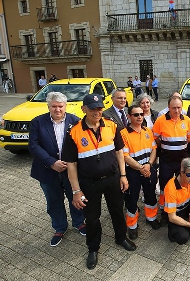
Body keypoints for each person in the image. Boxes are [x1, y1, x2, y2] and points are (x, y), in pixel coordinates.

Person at [62, 94, 136, 270]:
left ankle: (121, 238)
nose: (97, 112)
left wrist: (123, 175)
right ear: (83, 109)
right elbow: (71, 165)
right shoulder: (74, 133)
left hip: (112, 179)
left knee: (117, 211)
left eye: (99, 108)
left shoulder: (111, 126)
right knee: (92, 218)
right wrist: (76, 191)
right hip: (89, 183)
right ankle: (93, 248)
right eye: (92, 108)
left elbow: (119, 152)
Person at [28, 92, 85, 247]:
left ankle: (79, 222)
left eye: (60, 106)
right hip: (47, 170)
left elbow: (82, 144)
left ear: (65, 106)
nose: (57, 109)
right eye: (54, 106)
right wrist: (52, 162)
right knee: (53, 201)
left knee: (75, 197)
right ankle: (59, 227)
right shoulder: (37, 122)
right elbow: (33, 146)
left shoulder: (76, 121)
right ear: (48, 106)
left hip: (71, 170)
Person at [153, 95, 190, 223]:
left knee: (179, 185)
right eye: (174, 108)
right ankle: (164, 212)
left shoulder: (187, 120)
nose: (176, 111)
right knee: (165, 187)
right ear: (168, 108)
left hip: (181, 160)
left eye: (179, 107)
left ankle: (178, 209)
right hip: (166, 159)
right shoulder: (160, 120)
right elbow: (156, 138)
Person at [121, 105, 160, 239]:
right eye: (136, 114)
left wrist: (149, 165)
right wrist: (141, 168)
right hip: (133, 172)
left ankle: (151, 218)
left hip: (149, 169)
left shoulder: (148, 131)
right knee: (132, 199)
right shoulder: (123, 134)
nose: (139, 117)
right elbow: (125, 156)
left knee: (150, 194)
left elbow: (154, 149)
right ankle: (132, 226)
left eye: (141, 114)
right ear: (129, 116)